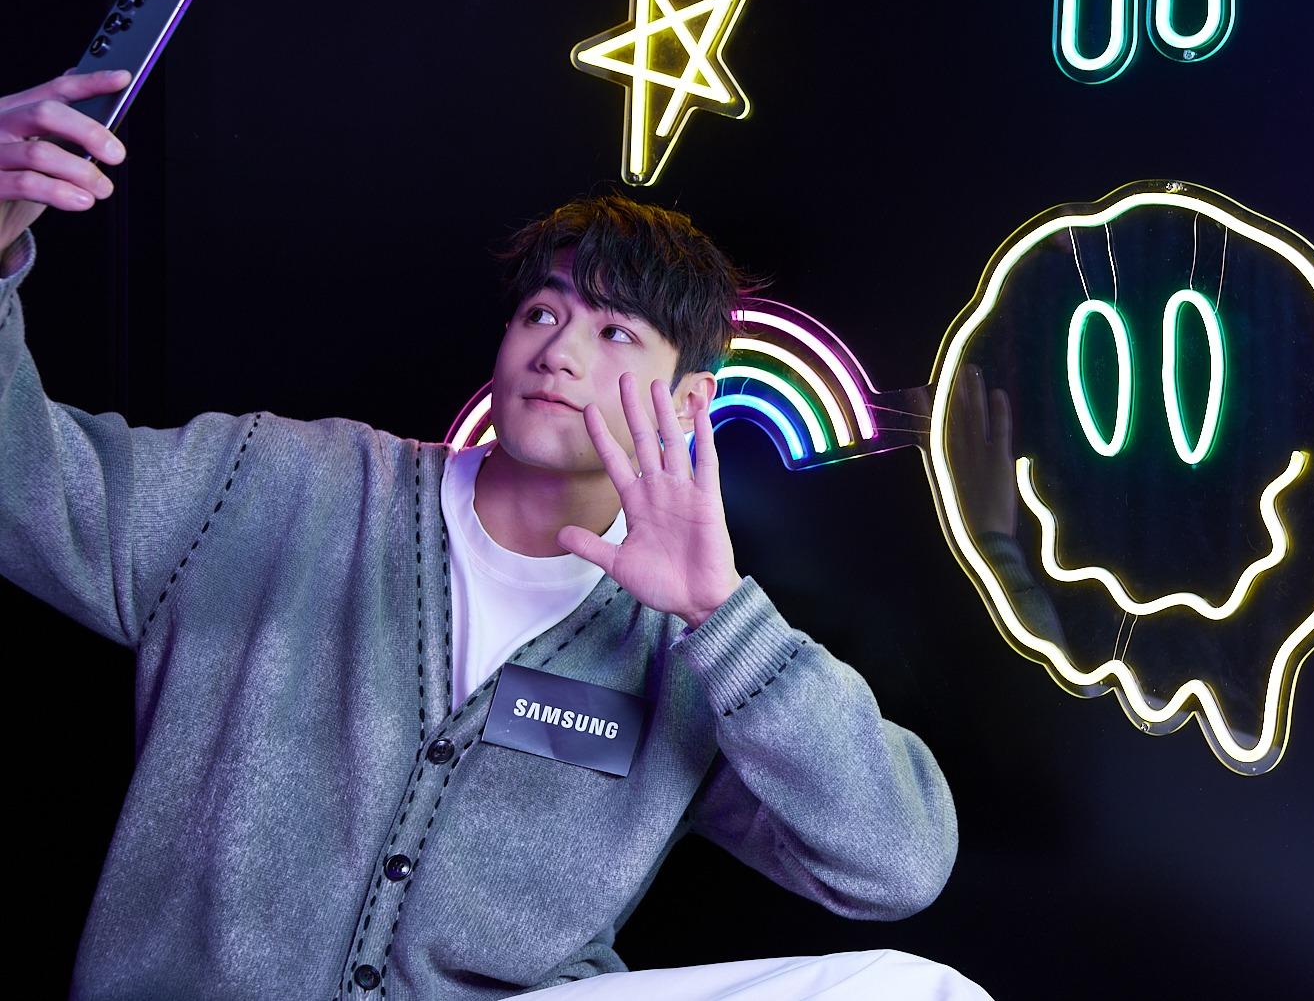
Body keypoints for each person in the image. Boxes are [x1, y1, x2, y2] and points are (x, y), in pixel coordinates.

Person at [0, 68, 988, 1000]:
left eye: (614, 332)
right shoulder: (284, 484)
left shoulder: (690, 653)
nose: (559, 350)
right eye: (542, 313)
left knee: (916, 990)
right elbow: (24, 487)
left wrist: (720, 616)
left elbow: (896, 865)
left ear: (690, 401)